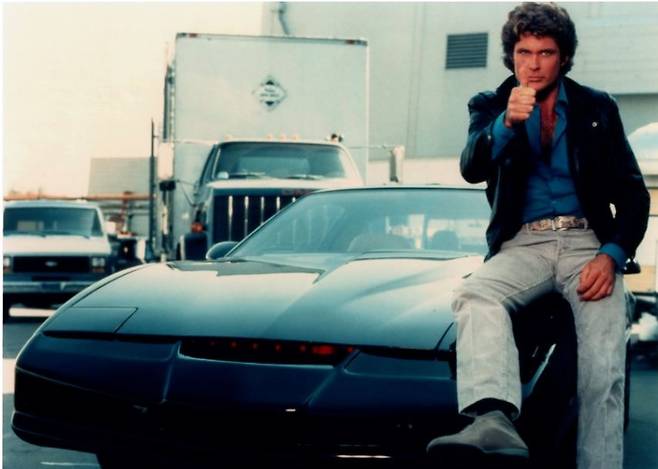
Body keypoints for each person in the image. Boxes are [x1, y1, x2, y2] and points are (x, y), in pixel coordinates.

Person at [426, 3, 649, 469]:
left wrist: (611, 255)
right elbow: (471, 167)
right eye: (523, 52)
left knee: (602, 373)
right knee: (473, 293)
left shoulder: (597, 107)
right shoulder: (489, 105)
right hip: (522, 244)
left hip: (587, 244)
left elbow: (633, 196)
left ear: (563, 57)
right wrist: (505, 125)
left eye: (545, 52)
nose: (533, 63)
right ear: (511, 56)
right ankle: (493, 418)